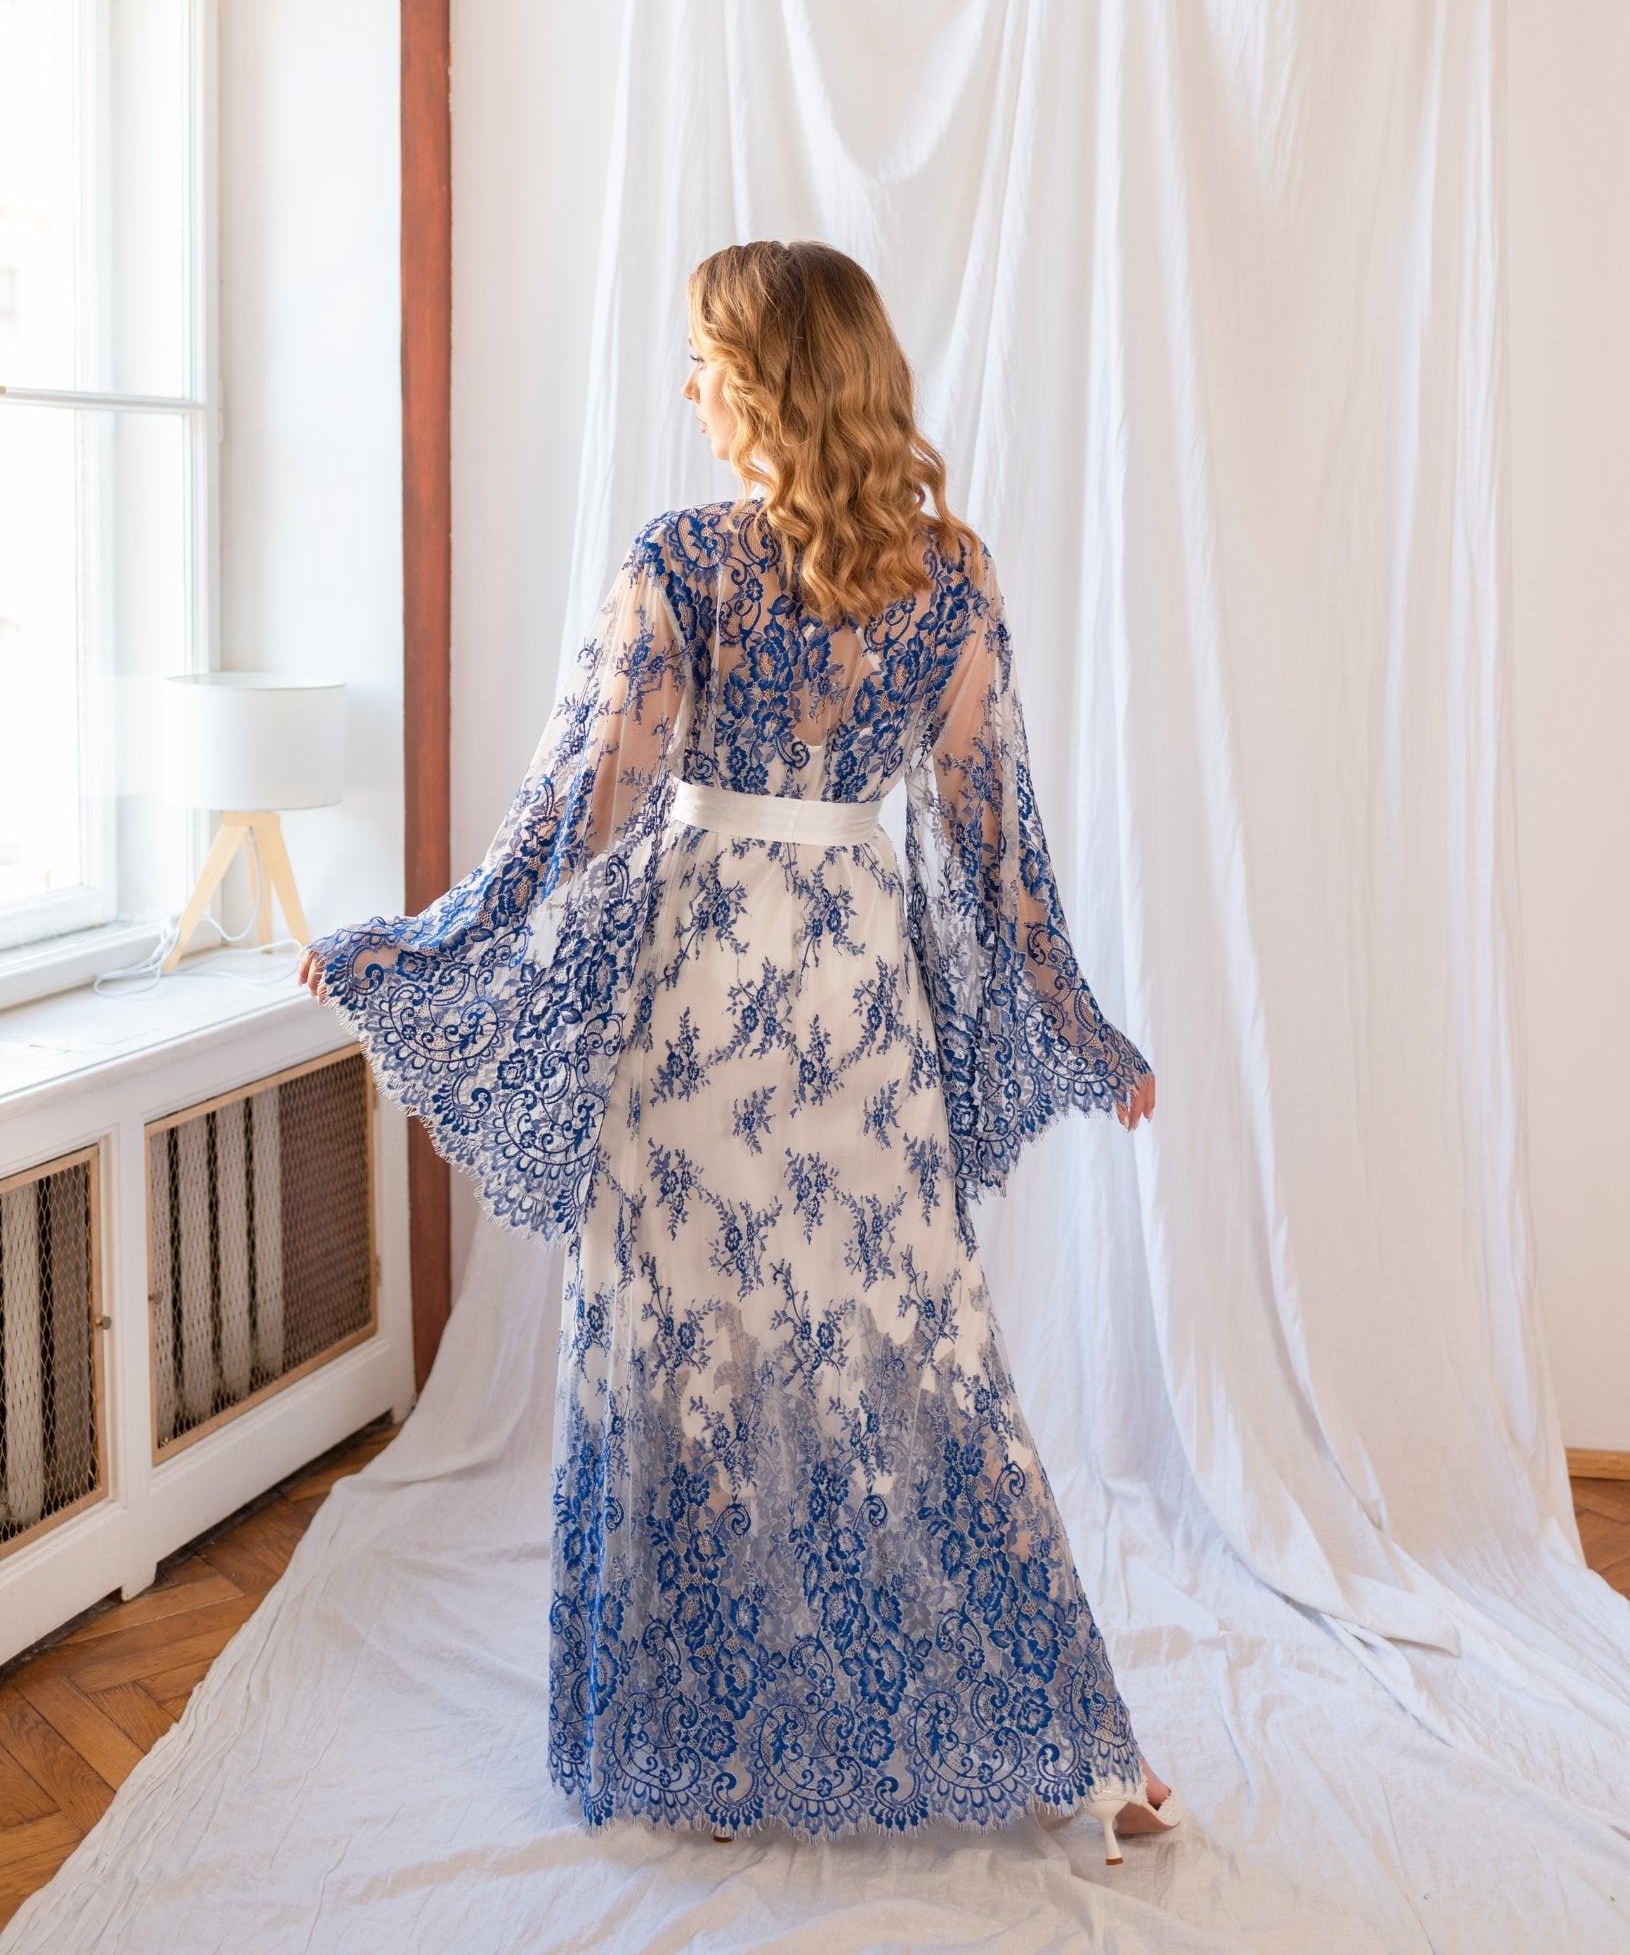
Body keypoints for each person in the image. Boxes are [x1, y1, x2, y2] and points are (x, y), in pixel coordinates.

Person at [298, 239, 1180, 1863]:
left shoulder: (683, 562)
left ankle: (700, 1748)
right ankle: (1059, 1733)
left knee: (680, 1367)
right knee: (919, 1370)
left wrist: (426, 942)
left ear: (767, 379)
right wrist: (1076, 1020)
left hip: (703, 1012)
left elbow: (583, 805)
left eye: (706, 358)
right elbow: (1000, 850)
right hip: (857, 1019)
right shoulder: (952, 579)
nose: (688, 387)